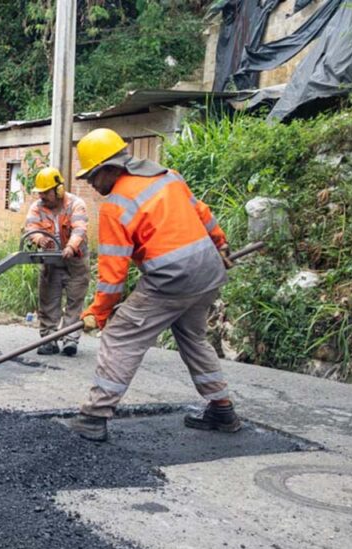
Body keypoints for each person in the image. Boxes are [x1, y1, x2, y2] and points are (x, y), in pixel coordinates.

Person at [65, 128, 238, 442]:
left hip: (171, 279)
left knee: (120, 337)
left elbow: (113, 276)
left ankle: (93, 417)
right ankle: (222, 409)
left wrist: (98, 313)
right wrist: (221, 244)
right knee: (193, 338)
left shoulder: (115, 206)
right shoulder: (169, 177)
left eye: (92, 176)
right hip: (209, 271)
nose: (90, 183)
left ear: (109, 168)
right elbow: (203, 213)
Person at [24, 167, 91, 357]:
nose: (42, 196)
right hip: (51, 262)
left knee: (74, 301)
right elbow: (31, 228)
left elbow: (79, 229)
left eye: (46, 192)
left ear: (59, 190)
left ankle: (70, 340)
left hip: (76, 262)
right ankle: (49, 340)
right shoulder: (37, 207)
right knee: (48, 301)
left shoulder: (76, 205)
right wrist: (39, 239)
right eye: (40, 192)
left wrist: (71, 247)